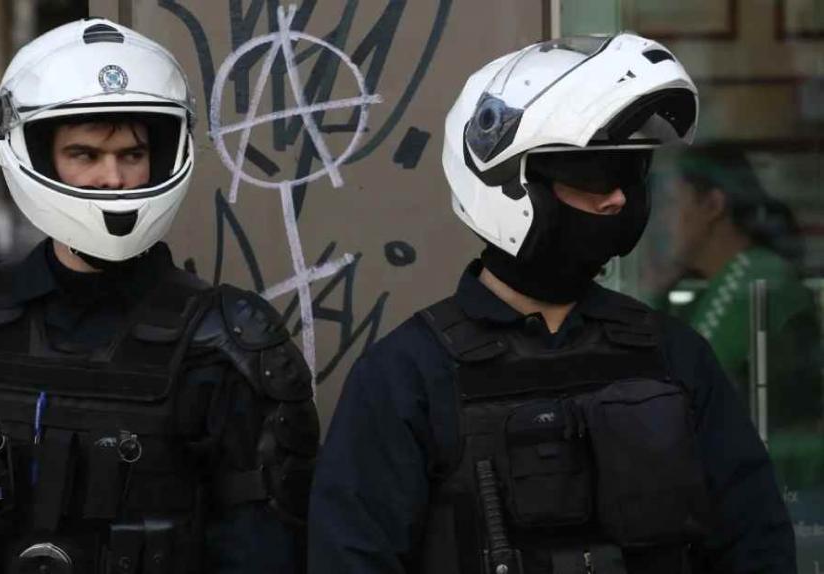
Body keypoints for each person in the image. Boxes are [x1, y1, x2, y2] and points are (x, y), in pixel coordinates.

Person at [309, 34, 795, 573]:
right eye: (590, 174)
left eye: (629, 172)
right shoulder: (407, 378)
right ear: (508, 184)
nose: (616, 197)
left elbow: (757, 545)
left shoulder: (674, 356)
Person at [0, 18, 318, 574]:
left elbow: (262, 551)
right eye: (85, 155)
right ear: (42, 158)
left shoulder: (226, 345)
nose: (113, 178)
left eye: (131, 155)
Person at [666, 146, 822, 490]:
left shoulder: (754, 282)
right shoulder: (728, 280)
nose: (667, 220)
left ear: (712, 205)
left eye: (675, 203)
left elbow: (689, 398)